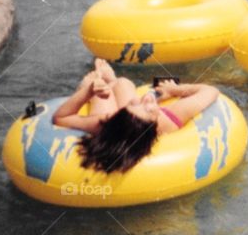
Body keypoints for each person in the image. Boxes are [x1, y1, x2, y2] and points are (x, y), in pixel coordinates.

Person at [53, 59, 221, 173]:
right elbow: (209, 91)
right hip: (120, 122)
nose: (145, 98)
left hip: (120, 122)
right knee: (117, 87)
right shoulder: (167, 118)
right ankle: (104, 83)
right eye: (147, 109)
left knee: (118, 86)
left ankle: (104, 83)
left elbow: (61, 118)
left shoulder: (107, 123)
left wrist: (88, 92)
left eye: (137, 105)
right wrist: (174, 90)